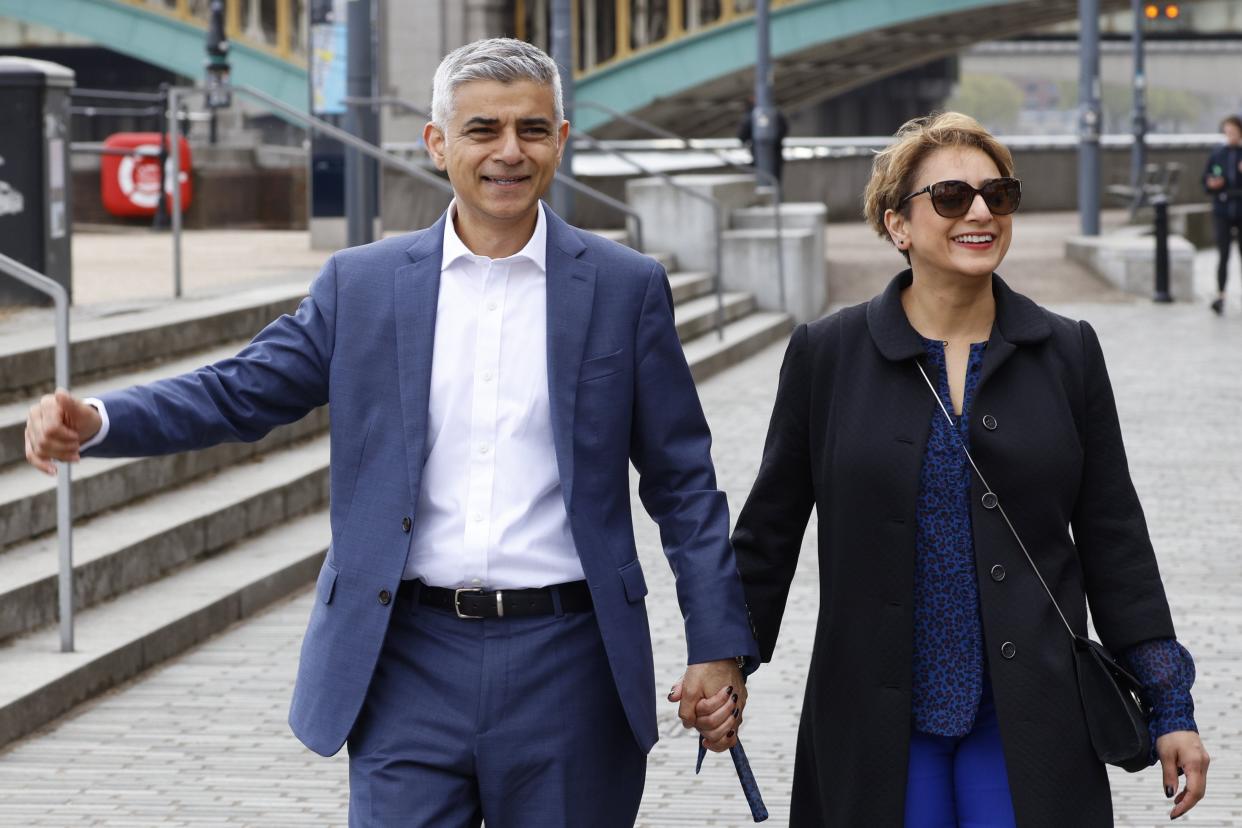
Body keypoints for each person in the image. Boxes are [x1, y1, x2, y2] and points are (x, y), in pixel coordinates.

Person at [23, 38, 756, 827]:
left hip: (570, 665)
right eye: (483, 130)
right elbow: (240, 392)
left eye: (532, 129)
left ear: (562, 140)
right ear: (437, 144)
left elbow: (683, 482)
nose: (510, 152)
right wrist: (102, 421)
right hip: (404, 662)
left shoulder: (624, 288)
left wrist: (716, 643)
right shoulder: (363, 285)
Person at [726, 112, 1210, 826]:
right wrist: (724, 659)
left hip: (1027, 713)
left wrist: (1170, 706)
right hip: (875, 713)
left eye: (999, 195)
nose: (981, 211)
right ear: (898, 225)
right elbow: (767, 535)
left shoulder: (1067, 352)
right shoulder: (826, 355)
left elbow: (1116, 542)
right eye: (951, 197)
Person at [1203, 114, 1242, 315]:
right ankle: (1221, 295)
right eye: (1227, 132)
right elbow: (1206, 180)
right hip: (1223, 209)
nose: (1230, 136)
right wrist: (1212, 184)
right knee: (1223, 254)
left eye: (1234, 132)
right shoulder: (1218, 153)